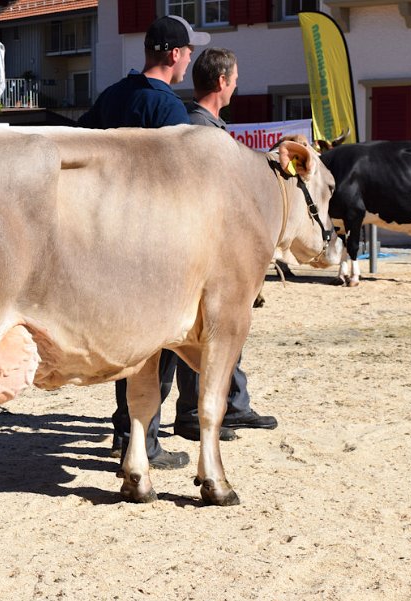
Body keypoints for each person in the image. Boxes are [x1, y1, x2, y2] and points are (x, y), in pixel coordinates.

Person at [78, 14, 209, 469]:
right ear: (173, 53)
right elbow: (181, 185)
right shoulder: (170, 109)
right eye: (189, 51)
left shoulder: (112, 95)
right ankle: (145, 443)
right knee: (161, 346)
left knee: (126, 342)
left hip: (105, 235)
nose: (191, 58)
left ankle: (122, 432)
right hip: (153, 240)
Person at [173, 48, 277, 442]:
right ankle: (199, 411)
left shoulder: (203, 126)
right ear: (221, 82)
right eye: (234, 79)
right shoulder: (201, 132)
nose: (236, 86)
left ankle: (231, 404)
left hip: (207, 248)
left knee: (215, 330)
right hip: (203, 250)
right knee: (201, 332)